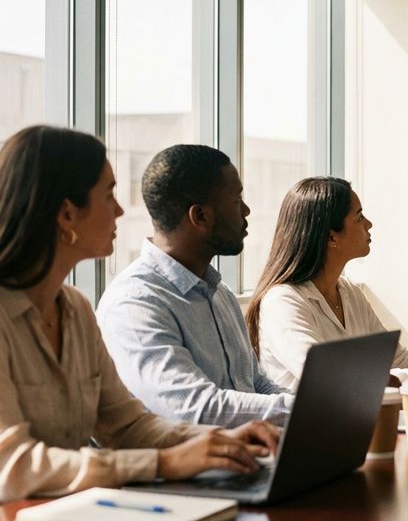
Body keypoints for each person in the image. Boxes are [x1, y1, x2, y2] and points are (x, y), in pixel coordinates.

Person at [0, 127, 278, 502]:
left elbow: (128, 426)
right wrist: (162, 464)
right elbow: (12, 466)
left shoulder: (77, 310)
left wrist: (219, 441)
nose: (119, 210)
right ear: (67, 213)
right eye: (109, 194)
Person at [97, 145, 293, 428]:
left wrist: (314, 410)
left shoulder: (218, 292)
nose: (246, 210)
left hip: (249, 457)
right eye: (237, 199)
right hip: (189, 469)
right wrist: (309, 411)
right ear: (199, 216)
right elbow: (194, 408)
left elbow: (256, 383)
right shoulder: (134, 304)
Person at [245, 176, 408, 390]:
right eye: (359, 217)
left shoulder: (348, 292)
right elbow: (331, 377)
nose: (369, 224)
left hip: (356, 419)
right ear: (331, 237)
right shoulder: (283, 302)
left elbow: (394, 359)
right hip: (310, 433)